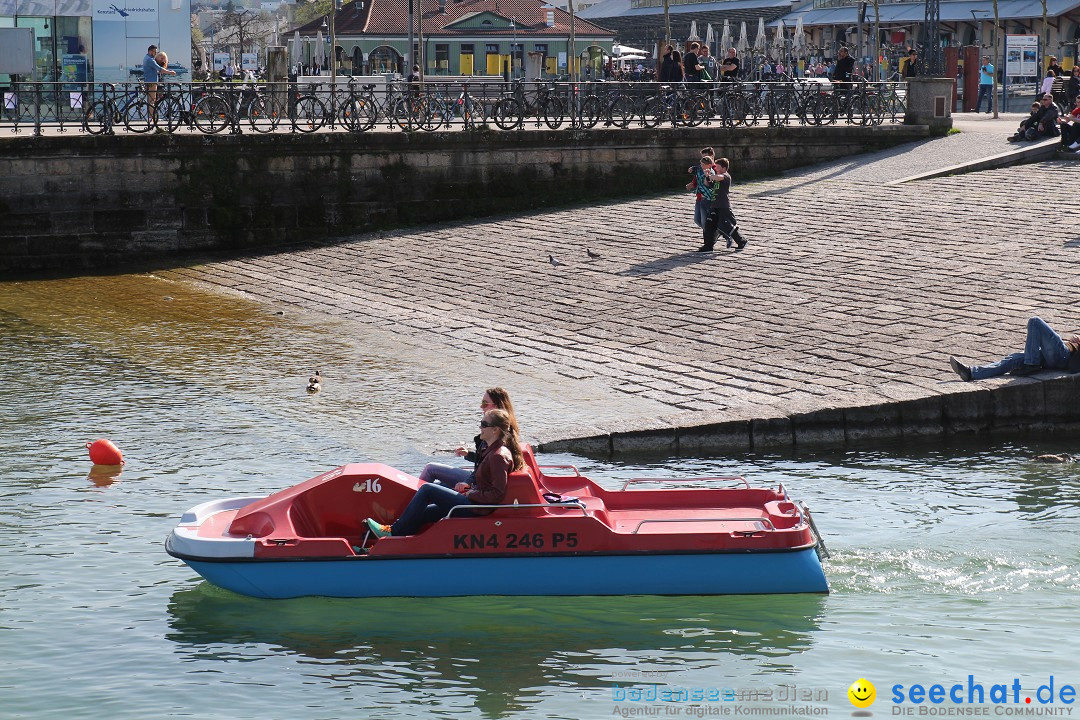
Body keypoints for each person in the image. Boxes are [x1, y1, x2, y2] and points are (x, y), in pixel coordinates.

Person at [365, 409, 523, 537]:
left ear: (495, 430)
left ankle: (393, 532)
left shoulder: (498, 456)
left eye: (483, 424)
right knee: (423, 513)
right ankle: (392, 544)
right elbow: (479, 473)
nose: (479, 427)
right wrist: (467, 484)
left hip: (477, 508)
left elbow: (497, 494)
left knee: (428, 489)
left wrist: (470, 494)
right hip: (474, 502)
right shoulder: (489, 449)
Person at [418, 388, 518, 486]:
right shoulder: (500, 430)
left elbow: (493, 464)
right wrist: (468, 454)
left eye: (484, 403)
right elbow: (487, 461)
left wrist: (467, 483)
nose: (481, 406)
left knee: (430, 469)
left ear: (496, 406)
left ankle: (410, 497)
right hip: (478, 477)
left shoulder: (499, 434)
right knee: (440, 485)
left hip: (478, 481)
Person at [949, 317, 1080, 381]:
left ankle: (1031, 364)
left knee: (1035, 322)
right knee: (1011, 360)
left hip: (1064, 355)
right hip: (1052, 357)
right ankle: (971, 372)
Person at [697, 157, 746, 252]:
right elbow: (707, 184)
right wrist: (707, 176)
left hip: (723, 206)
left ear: (724, 168)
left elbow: (719, 177)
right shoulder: (716, 177)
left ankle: (742, 241)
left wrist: (711, 176)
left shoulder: (726, 176)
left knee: (727, 225)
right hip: (714, 206)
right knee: (709, 225)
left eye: (718, 167)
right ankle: (708, 246)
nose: (716, 169)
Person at [141, 45, 176, 123]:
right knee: (151, 101)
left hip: (149, 81)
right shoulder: (150, 60)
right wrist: (170, 72)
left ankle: (151, 117)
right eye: (155, 51)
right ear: (150, 51)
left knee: (151, 100)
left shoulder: (147, 58)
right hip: (152, 82)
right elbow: (159, 69)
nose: (156, 53)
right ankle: (151, 118)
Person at [686, 148, 717, 230]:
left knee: (705, 221)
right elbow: (697, 178)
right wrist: (692, 184)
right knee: (697, 220)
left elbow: (713, 184)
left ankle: (711, 236)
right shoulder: (701, 168)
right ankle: (712, 233)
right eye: (702, 158)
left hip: (708, 198)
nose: (703, 160)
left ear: (712, 156)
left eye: (706, 157)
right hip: (699, 197)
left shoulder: (715, 169)